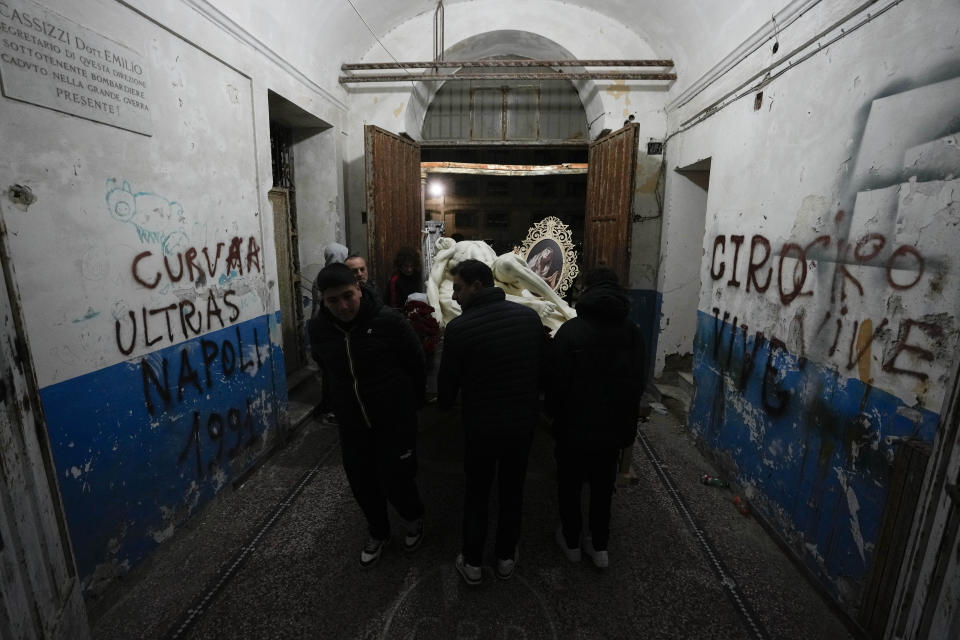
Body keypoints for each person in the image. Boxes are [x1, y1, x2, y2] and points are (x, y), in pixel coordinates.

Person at [437, 259, 548, 585]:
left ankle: (472, 562)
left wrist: (445, 406)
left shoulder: (459, 329)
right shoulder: (529, 319)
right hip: (520, 424)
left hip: (481, 427)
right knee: (513, 490)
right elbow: (544, 369)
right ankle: (505, 558)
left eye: (458, 288)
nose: (454, 296)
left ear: (477, 285)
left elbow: (446, 390)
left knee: (477, 493)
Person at [308, 263, 427, 567]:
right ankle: (378, 531)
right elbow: (326, 367)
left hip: (394, 422)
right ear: (323, 300)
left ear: (359, 288)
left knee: (398, 479)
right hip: (352, 425)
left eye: (348, 296)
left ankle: (413, 519)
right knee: (362, 482)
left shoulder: (389, 321)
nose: (343, 306)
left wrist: (408, 406)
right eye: (333, 301)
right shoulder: (319, 329)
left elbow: (416, 363)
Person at [547, 267, 647, 569]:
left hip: (573, 427)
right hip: (613, 427)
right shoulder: (632, 332)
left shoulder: (571, 331)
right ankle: (599, 546)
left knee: (570, 484)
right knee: (603, 487)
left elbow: (556, 383)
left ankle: (573, 541)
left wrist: (553, 416)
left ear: (587, 290)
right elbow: (638, 382)